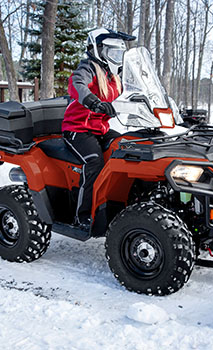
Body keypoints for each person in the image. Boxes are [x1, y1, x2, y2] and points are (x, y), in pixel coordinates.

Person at [62, 28, 135, 230]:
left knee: (128, 149)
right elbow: (76, 85)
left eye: (119, 54)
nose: (116, 58)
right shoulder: (88, 68)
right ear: (98, 50)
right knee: (94, 162)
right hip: (77, 129)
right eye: (112, 53)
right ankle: (83, 216)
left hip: (100, 129)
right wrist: (93, 103)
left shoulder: (113, 76)